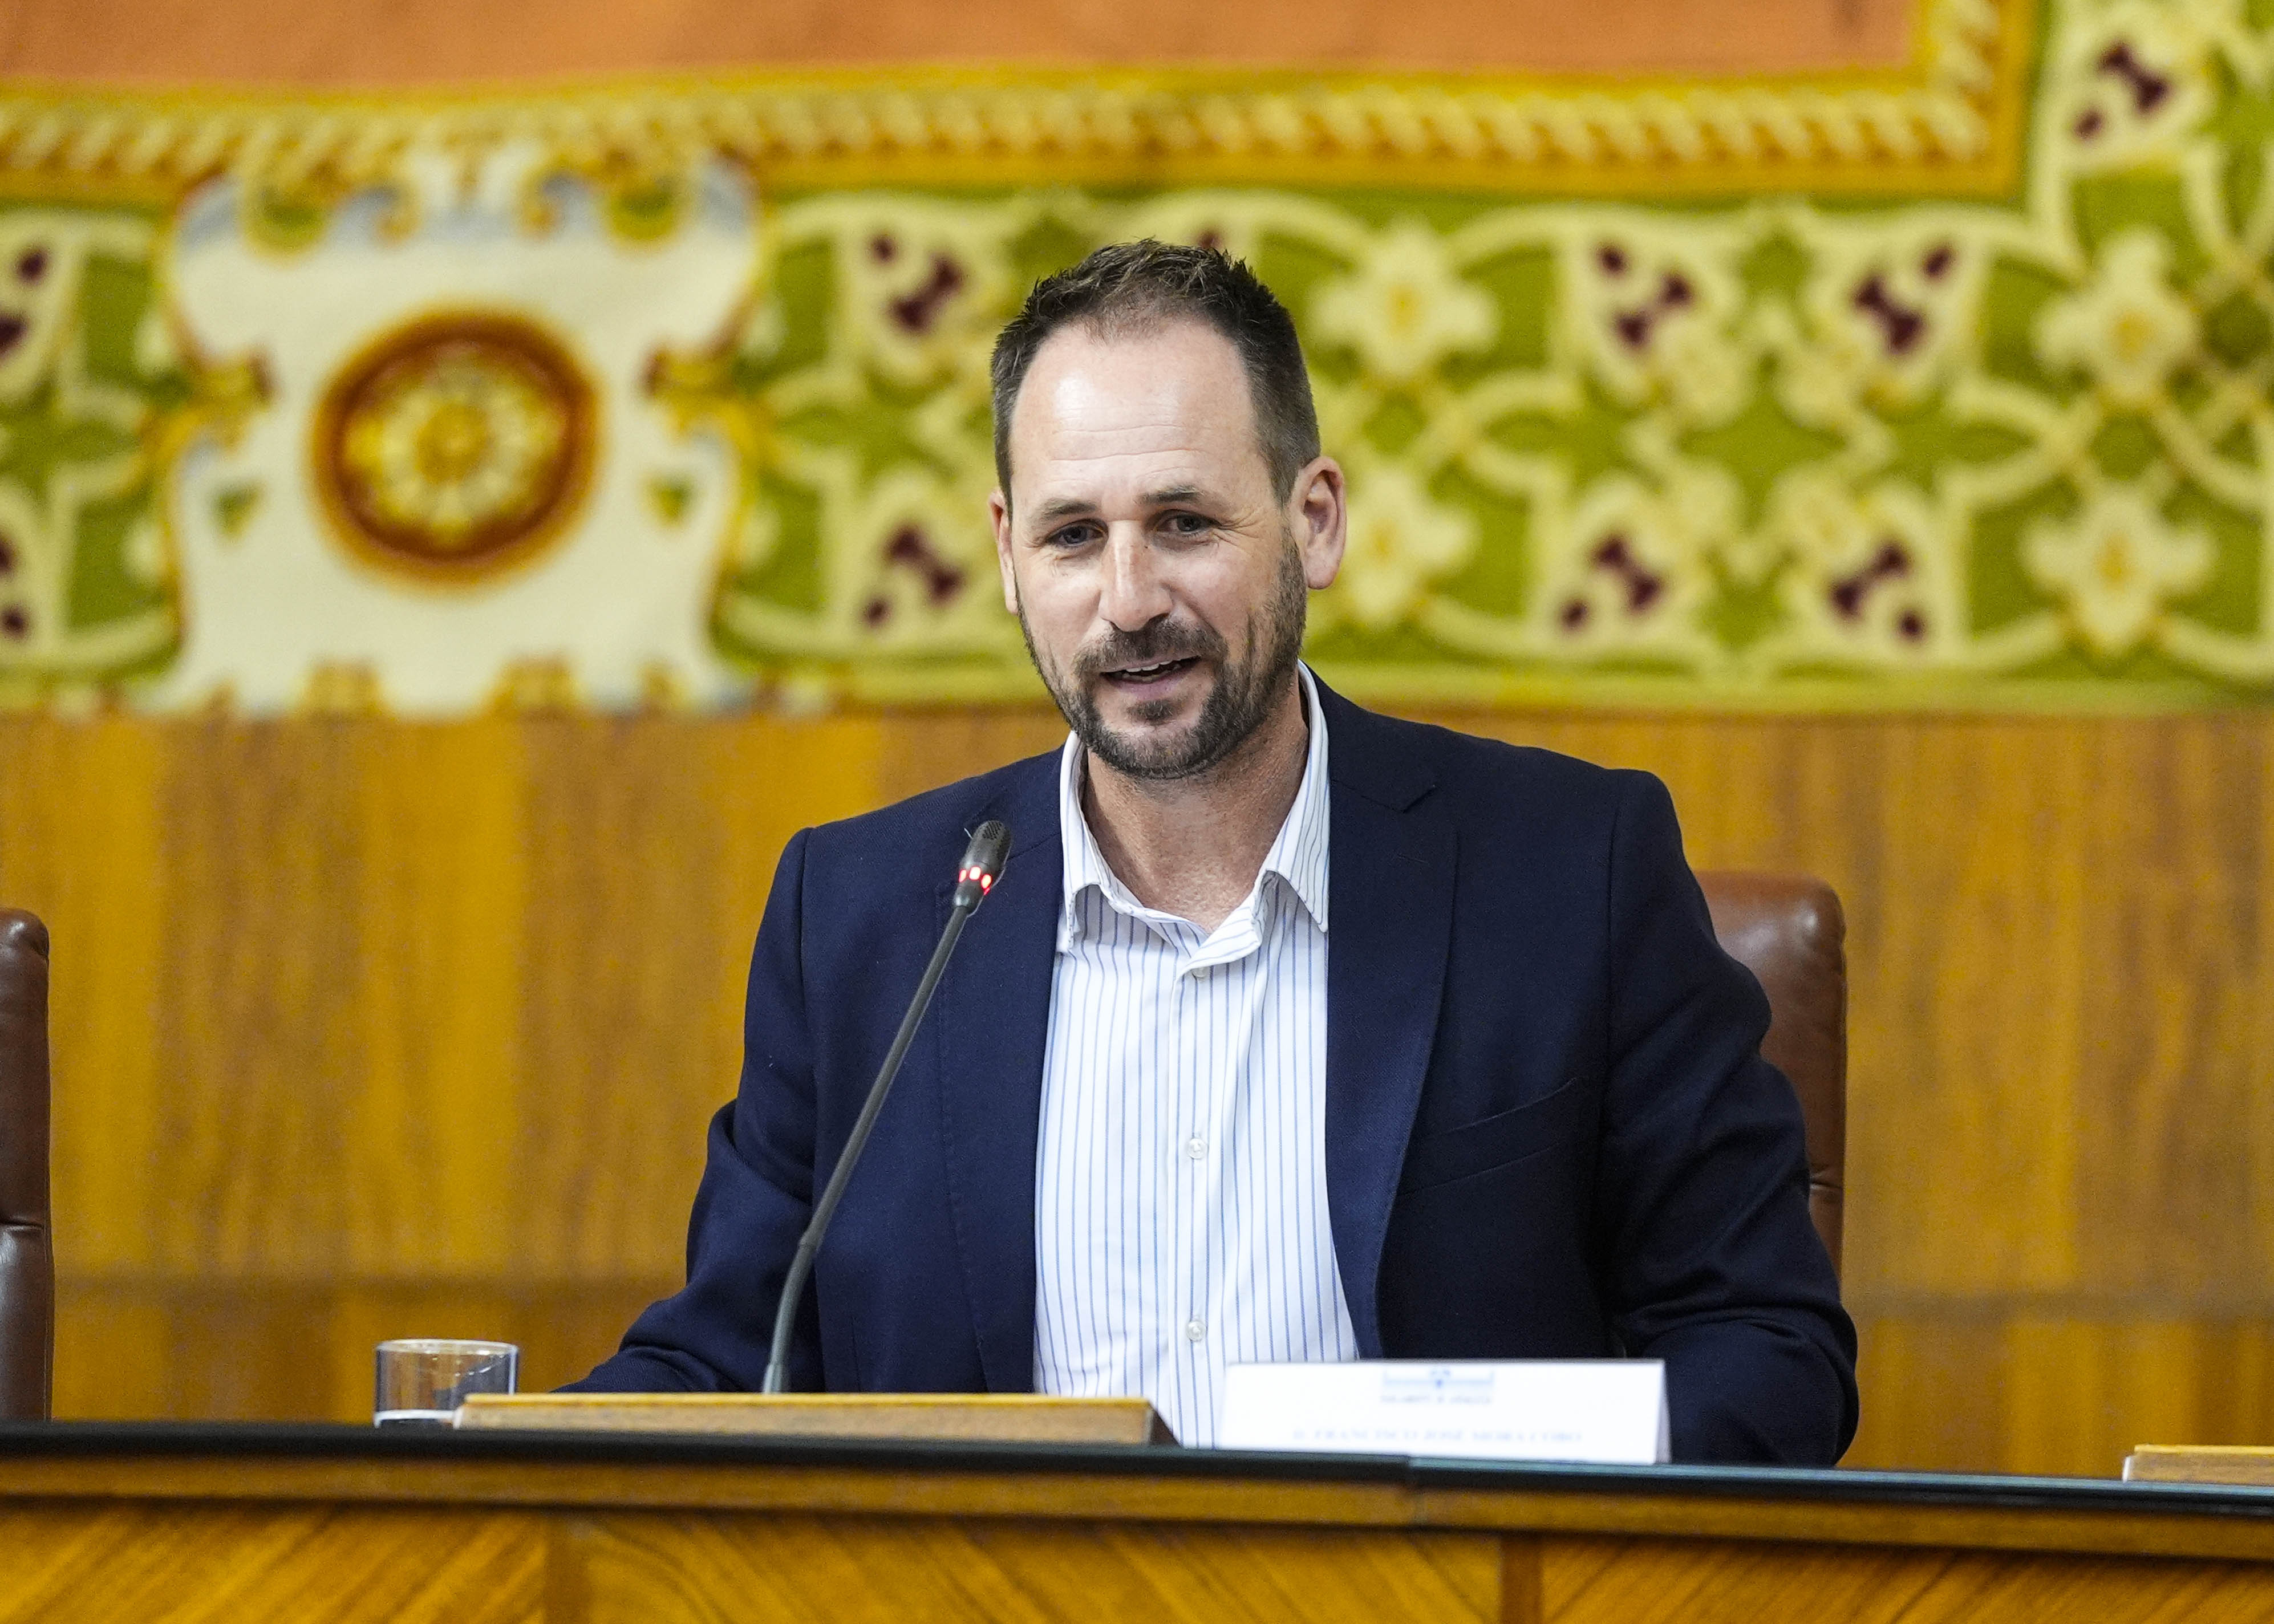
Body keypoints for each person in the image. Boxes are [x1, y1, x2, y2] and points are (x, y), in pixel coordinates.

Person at [571, 242, 1858, 1463]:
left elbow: (1765, 1349)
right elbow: (728, 1365)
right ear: (1008, 558)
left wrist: (1488, 1484)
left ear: (1314, 521)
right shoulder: (861, 920)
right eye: (1072, 535)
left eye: (1182, 521)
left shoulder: (1566, 876)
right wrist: (455, 1463)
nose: (1128, 600)